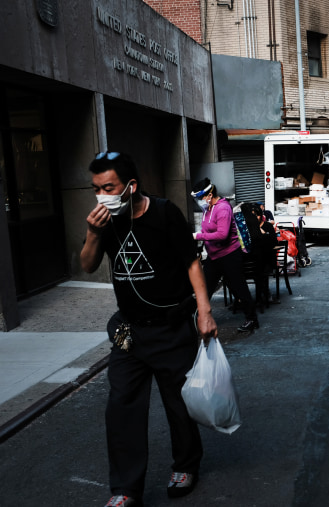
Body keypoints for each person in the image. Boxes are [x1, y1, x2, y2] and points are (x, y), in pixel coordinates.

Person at [81, 152, 217, 507]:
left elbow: (191, 262)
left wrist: (204, 311)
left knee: (178, 403)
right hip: (129, 332)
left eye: (108, 188)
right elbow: (87, 263)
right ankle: (125, 489)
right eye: (95, 189)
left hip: (171, 328)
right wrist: (93, 233)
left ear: (130, 186)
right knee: (121, 406)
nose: (101, 196)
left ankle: (186, 465)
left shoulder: (162, 213)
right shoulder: (105, 221)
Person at [191, 178, 259, 333]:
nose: (199, 201)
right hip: (214, 257)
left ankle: (252, 319)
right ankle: (199, 318)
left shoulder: (223, 208)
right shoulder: (207, 209)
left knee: (239, 287)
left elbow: (222, 235)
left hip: (229, 255)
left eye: (200, 198)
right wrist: (200, 240)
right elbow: (207, 231)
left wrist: (197, 236)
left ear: (209, 195)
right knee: (205, 288)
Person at [241, 202, 278, 309]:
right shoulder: (248, 229)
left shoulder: (267, 226)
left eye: (256, 215)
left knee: (260, 272)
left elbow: (273, 242)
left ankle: (262, 296)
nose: (255, 218)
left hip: (267, 260)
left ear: (260, 216)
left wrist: (264, 234)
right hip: (253, 261)